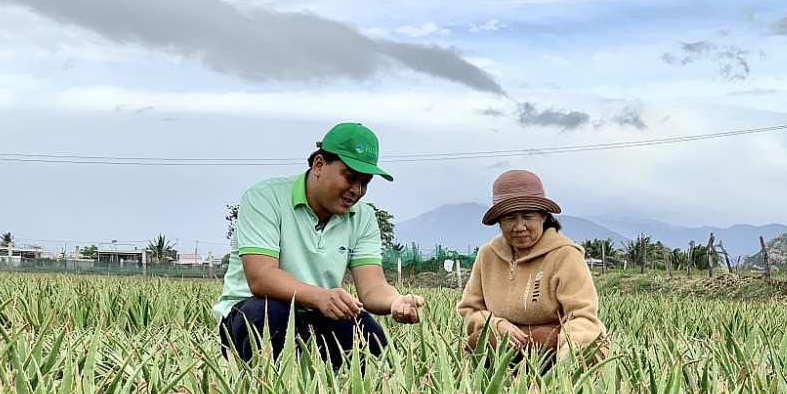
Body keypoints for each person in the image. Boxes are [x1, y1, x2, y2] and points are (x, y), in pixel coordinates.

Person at [213, 122, 424, 368]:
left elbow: (372, 287)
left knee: (372, 341)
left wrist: (395, 301)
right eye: (350, 177)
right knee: (273, 316)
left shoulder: (363, 216)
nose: (356, 190)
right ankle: (260, 388)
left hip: (320, 315)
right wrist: (320, 297)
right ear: (319, 165)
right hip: (254, 310)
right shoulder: (264, 198)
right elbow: (261, 277)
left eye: (365, 182)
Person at [457, 169, 607, 365]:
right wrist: (495, 324)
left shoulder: (565, 254)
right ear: (499, 222)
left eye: (527, 216)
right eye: (509, 218)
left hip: (555, 342)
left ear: (543, 216)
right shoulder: (488, 255)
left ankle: (542, 389)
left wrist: (570, 352)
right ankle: (500, 389)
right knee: (479, 341)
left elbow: (582, 315)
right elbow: (470, 309)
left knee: (541, 341)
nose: (519, 227)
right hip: (508, 342)